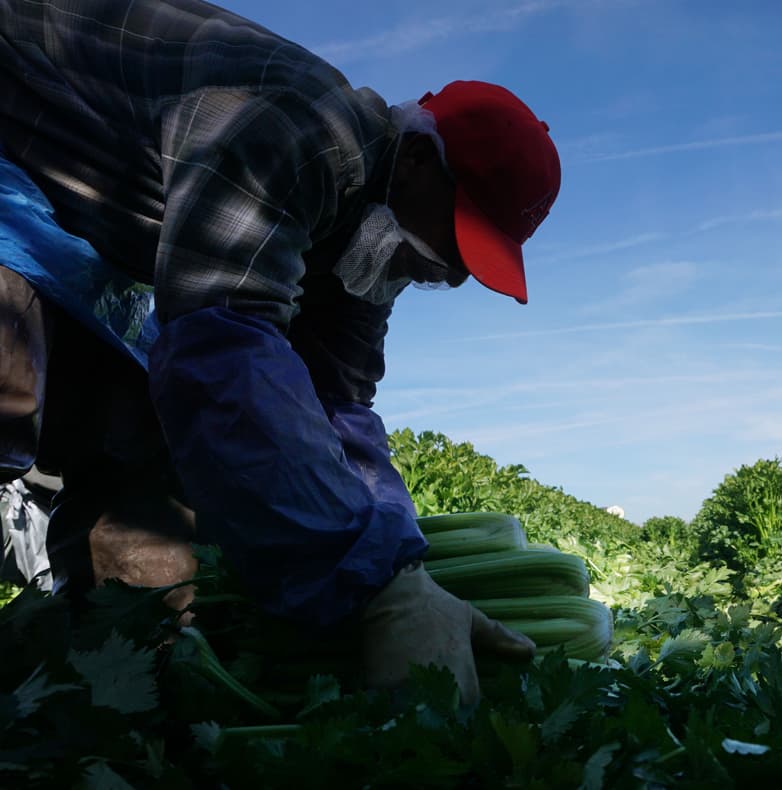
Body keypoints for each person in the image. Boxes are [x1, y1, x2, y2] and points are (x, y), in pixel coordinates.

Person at [0, 0, 561, 703]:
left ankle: (94, 692)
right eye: (452, 243)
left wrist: (398, 566)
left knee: (141, 455)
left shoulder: (365, 248)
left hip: (69, 225)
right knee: (9, 368)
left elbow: (340, 408)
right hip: (15, 148)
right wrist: (375, 594)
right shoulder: (299, 129)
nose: (444, 273)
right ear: (416, 159)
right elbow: (220, 351)